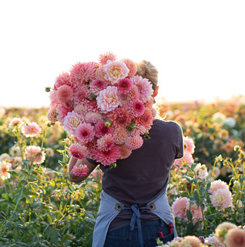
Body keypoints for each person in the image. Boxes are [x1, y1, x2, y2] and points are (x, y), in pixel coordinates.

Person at [68, 60, 184, 247]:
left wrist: (85, 130)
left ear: (123, 87)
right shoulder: (172, 131)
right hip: (159, 224)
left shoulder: (107, 131)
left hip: (115, 225)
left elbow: (74, 176)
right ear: (155, 91)